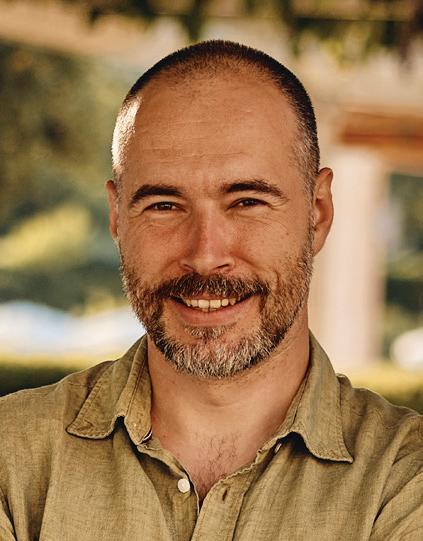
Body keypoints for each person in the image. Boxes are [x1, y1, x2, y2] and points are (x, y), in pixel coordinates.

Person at [0, 40, 421, 541]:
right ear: (116, 218)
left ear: (318, 213)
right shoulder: (11, 458)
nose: (204, 254)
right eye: (163, 205)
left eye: (246, 202)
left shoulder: (404, 476)